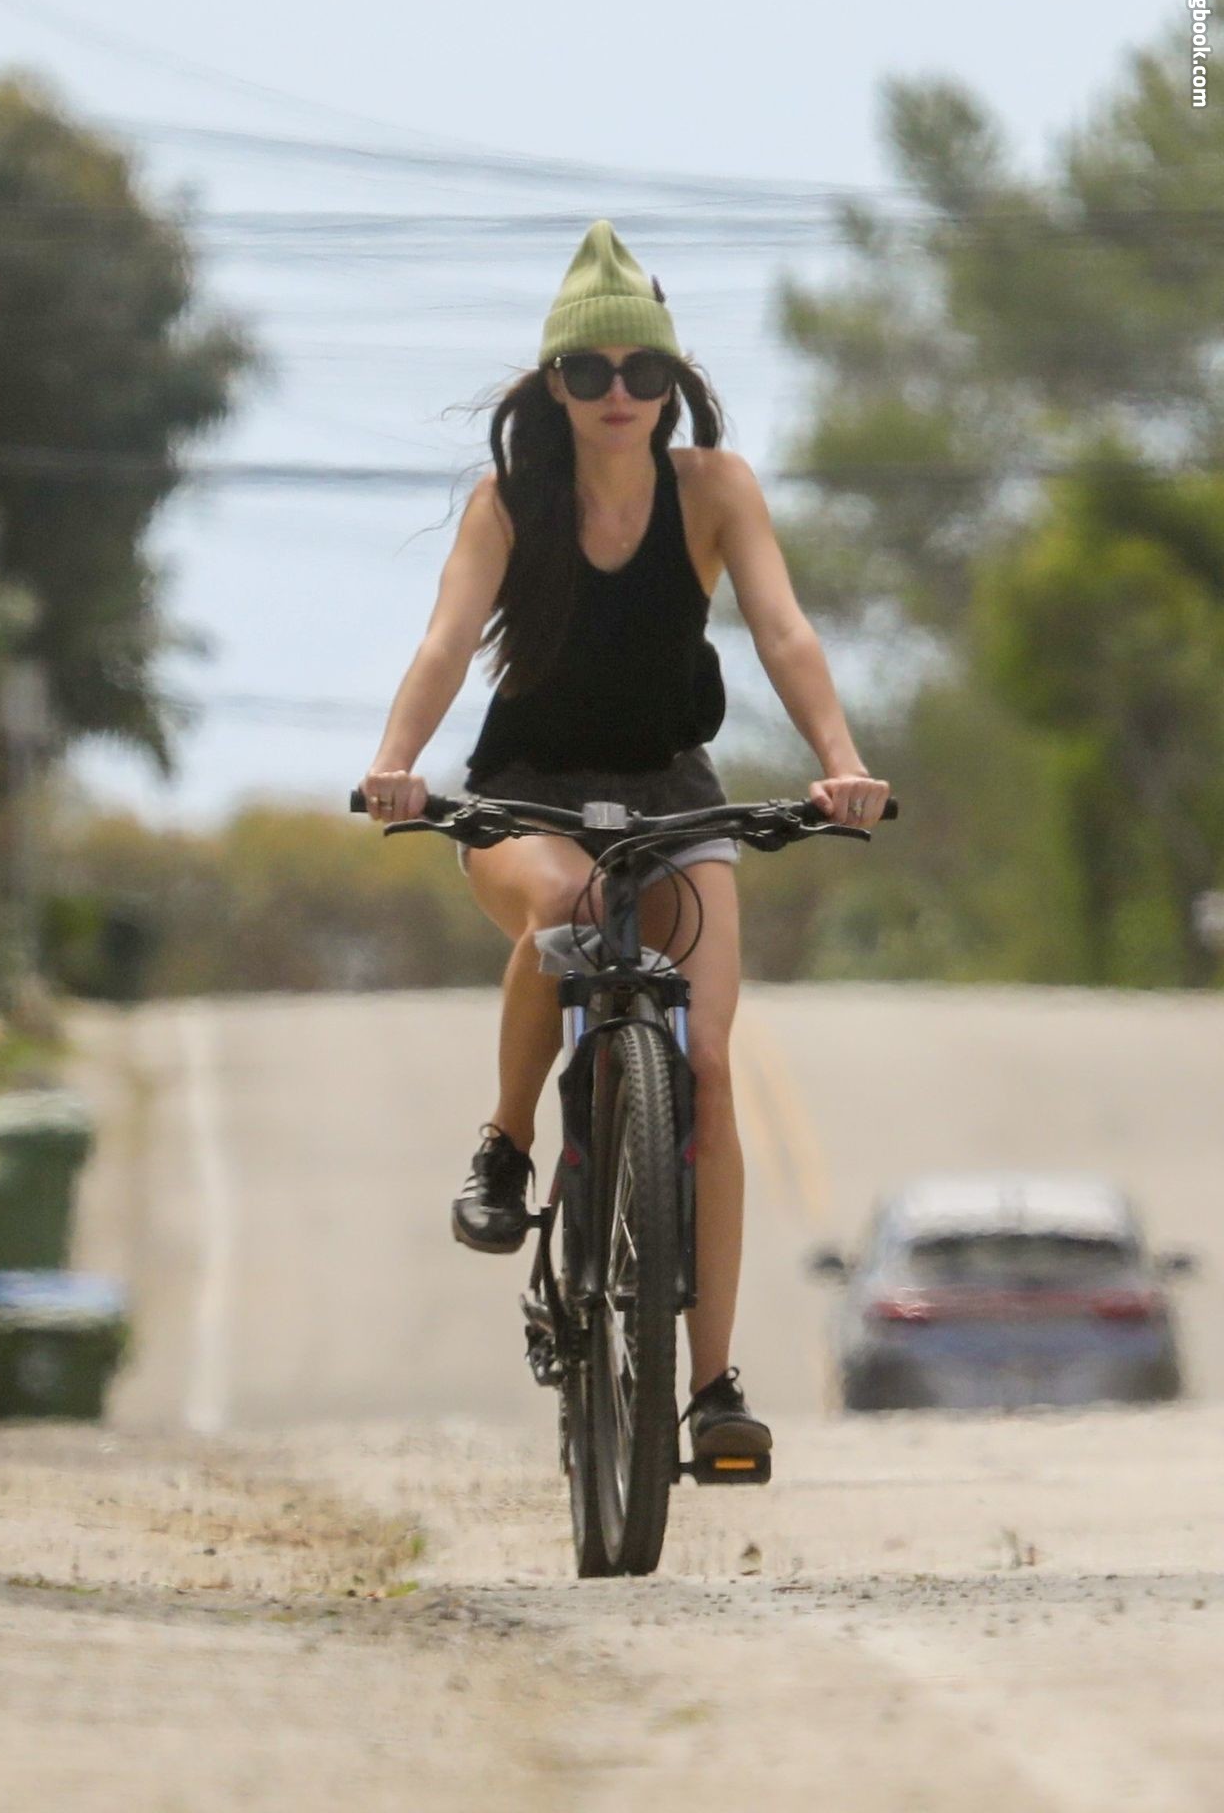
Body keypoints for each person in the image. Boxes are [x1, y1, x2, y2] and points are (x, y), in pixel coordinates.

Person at [360, 219, 890, 1461]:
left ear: (669, 383)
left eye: (641, 370)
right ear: (554, 385)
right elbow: (446, 641)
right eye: (589, 370)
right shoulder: (509, 505)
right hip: (525, 795)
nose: (617, 392)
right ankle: (507, 1143)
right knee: (566, 908)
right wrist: (397, 765)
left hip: (672, 790)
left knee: (706, 1066)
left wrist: (840, 764)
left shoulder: (714, 489)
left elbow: (783, 631)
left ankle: (710, 1390)